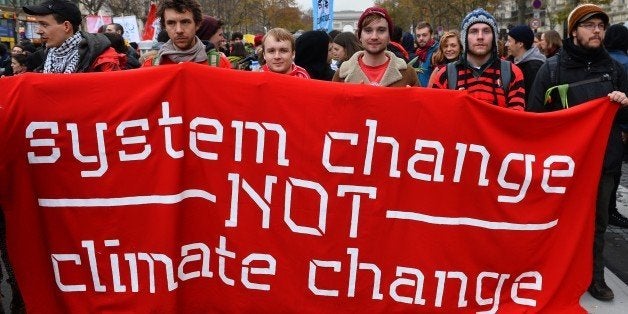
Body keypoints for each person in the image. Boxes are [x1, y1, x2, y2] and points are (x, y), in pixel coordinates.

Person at [527, 4, 628, 301]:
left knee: (598, 224)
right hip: (564, 166)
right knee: (558, 223)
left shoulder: (614, 69)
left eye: (600, 25)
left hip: (604, 162)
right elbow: (535, 117)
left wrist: (624, 104)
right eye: (589, 25)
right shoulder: (552, 68)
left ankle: (594, 277)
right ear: (573, 31)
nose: (596, 30)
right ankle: (550, 273)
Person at [431, 8, 525, 110]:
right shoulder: (445, 75)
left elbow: (516, 119)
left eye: (486, 31)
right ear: (464, 38)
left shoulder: (512, 73)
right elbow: (435, 115)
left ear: (494, 37)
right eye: (474, 31)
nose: (480, 37)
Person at [22, 0, 121, 73]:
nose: (38, 31)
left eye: (44, 25)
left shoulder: (103, 59)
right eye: (38, 25)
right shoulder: (41, 58)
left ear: (66, 26)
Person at [332, 7, 418, 87]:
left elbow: (421, 102)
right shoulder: (341, 73)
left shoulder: (408, 74)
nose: (374, 37)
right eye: (368, 30)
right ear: (360, 36)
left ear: (389, 36)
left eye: (381, 30)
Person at [603, 23, 628, 229]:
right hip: (617, 130)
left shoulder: (605, 61)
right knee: (613, 171)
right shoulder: (624, 63)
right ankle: (610, 209)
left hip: (604, 128)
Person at [142, 0, 208, 66]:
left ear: (197, 24)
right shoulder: (150, 66)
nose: (179, 30)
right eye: (171, 23)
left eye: (185, 22)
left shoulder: (216, 64)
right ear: (165, 27)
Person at [505, 25, 545, 97]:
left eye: (509, 41)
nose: (506, 44)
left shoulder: (534, 68)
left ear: (520, 44)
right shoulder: (509, 62)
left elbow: (532, 98)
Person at [408, 21, 438, 87]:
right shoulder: (420, 52)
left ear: (432, 35)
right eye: (418, 36)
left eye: (424, 35)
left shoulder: (437, 53)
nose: (421, 38)